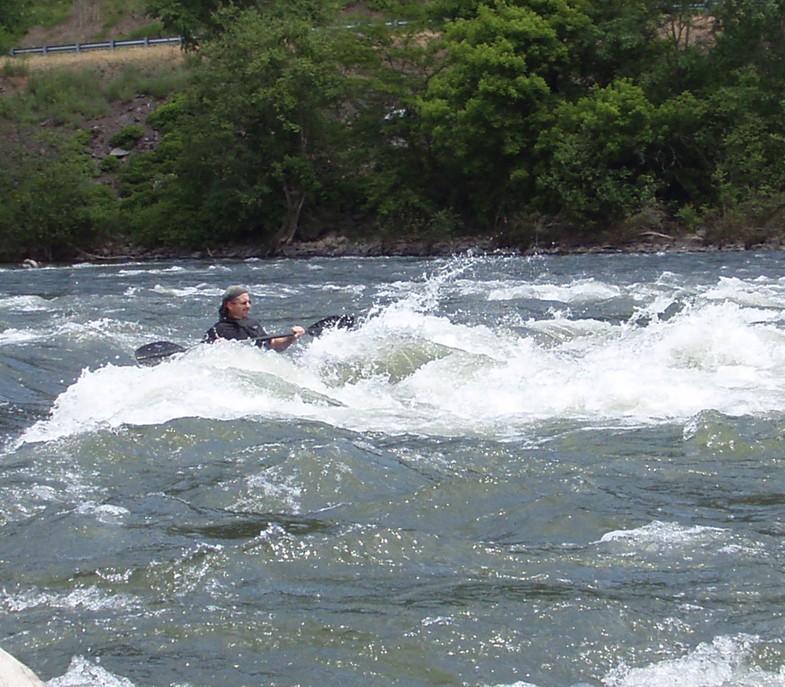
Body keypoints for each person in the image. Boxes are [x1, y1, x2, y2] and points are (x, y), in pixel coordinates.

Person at [204, 285, 306, 352]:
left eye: (249, 302)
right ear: (230, 305)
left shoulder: (253, 323)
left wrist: (291, 337)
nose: (248, 306)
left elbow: (273, 345)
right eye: (243, 303)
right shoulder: (218, 330)